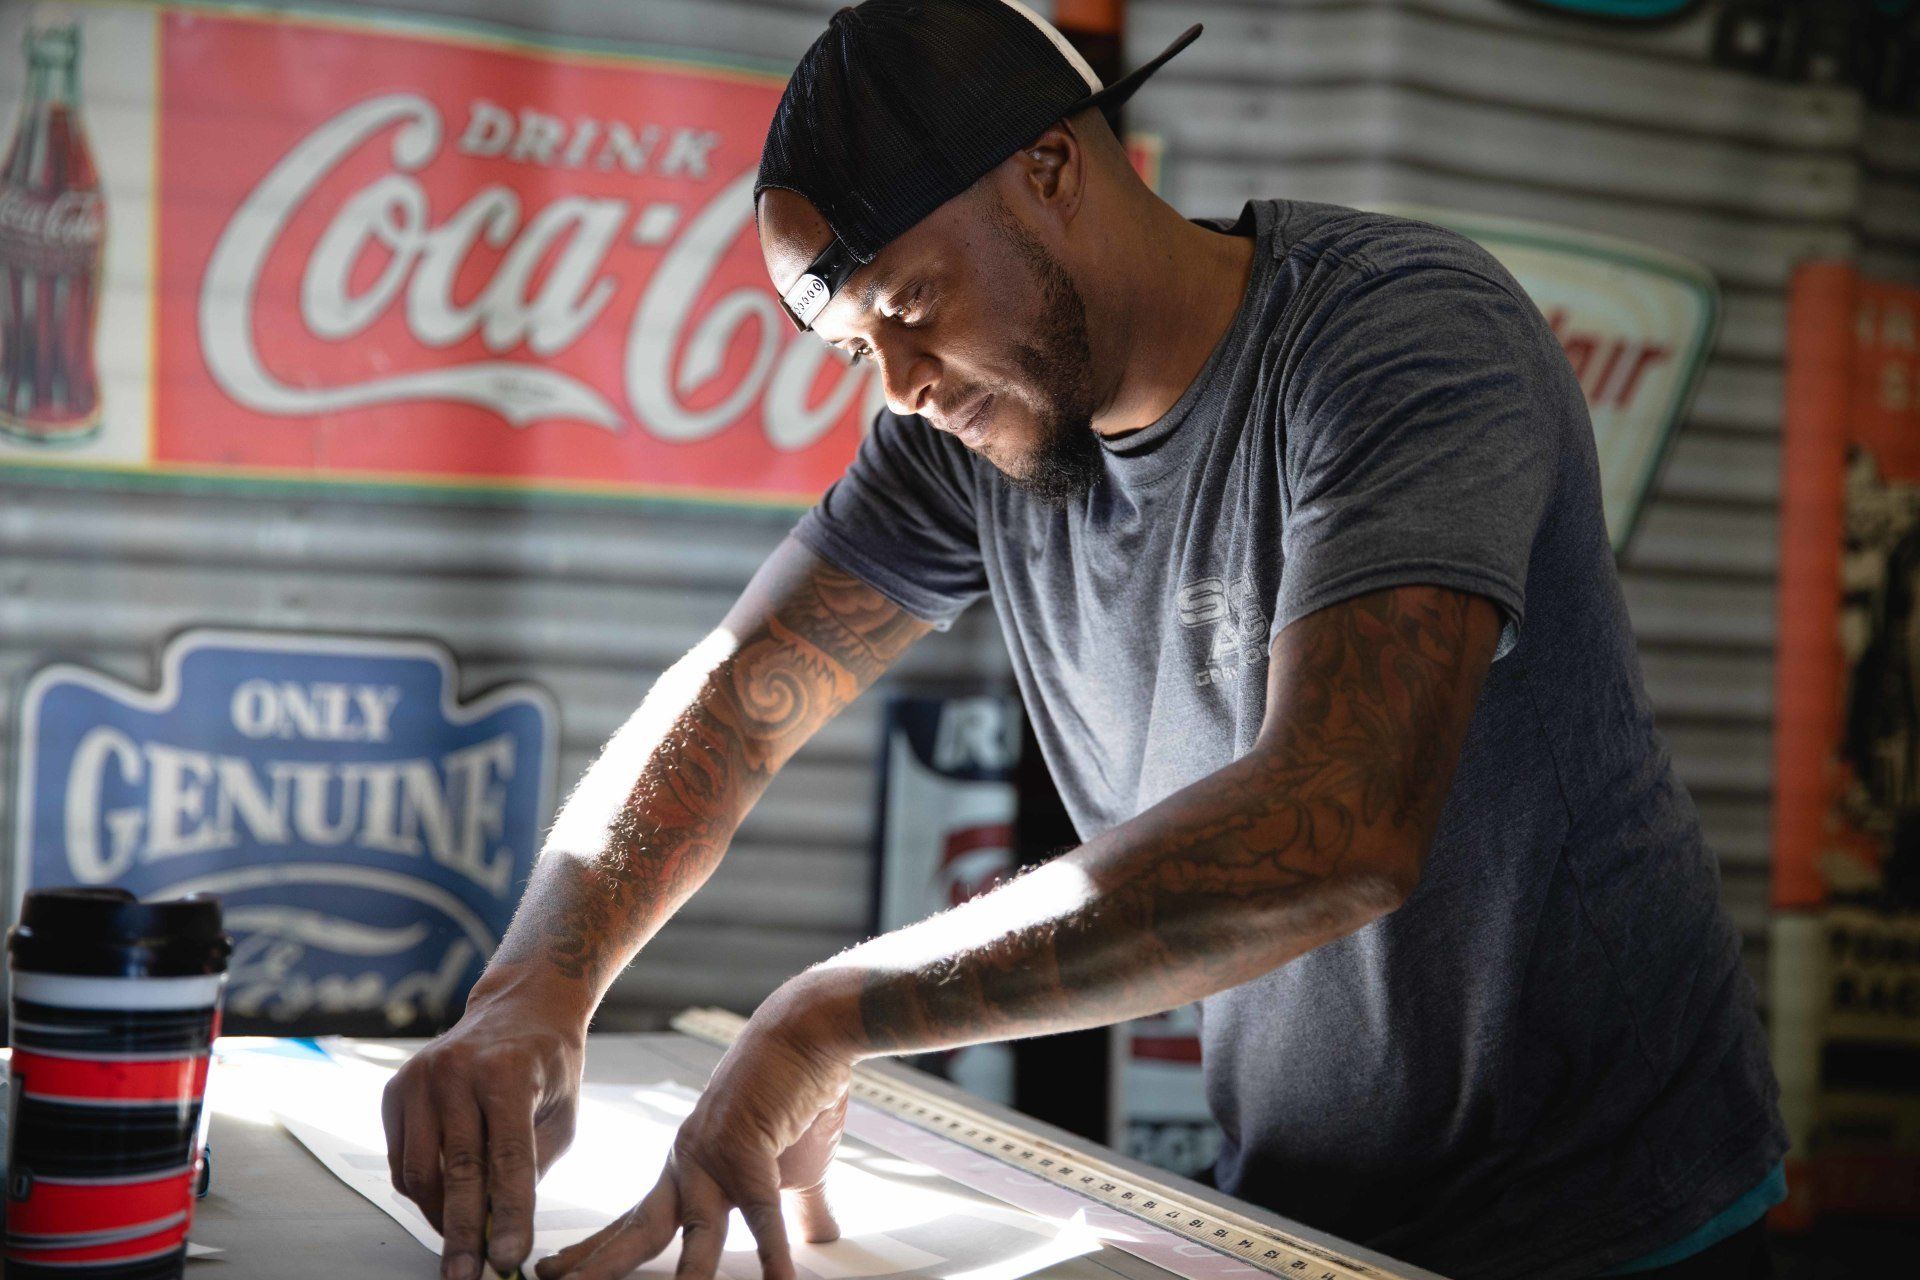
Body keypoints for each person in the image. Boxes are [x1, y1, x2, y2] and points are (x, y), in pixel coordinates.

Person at [380, 3, 1788, 1279]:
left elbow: (1345, 825)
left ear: (1051, 169)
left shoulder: (1399, 340)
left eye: (910, 309)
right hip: (1300, 1214)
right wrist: (532, 989)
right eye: (859, 351)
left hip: (1613, 1218)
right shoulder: (966, 434)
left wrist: (831, 1012)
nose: (901, 387)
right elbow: (739, 699)